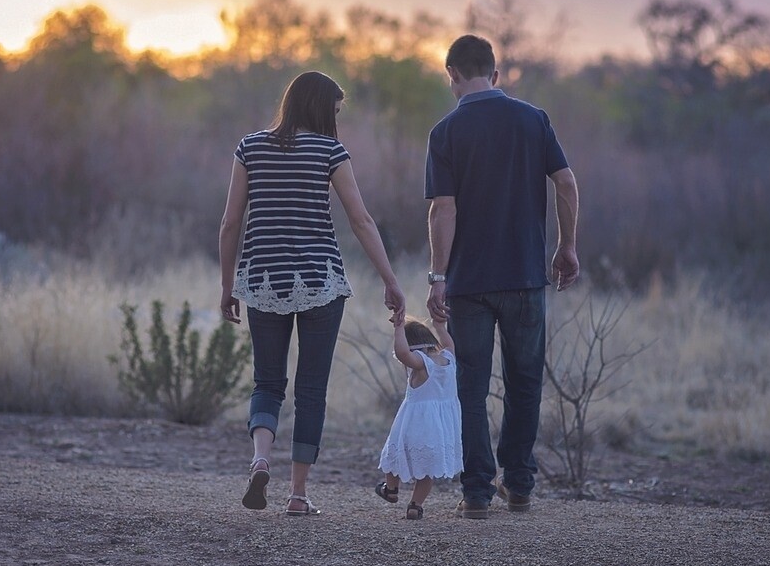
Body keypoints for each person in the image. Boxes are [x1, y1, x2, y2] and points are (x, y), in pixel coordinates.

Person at [219, 70, 405, 517]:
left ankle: (261, 458)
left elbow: (229, 223)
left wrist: (228, 286)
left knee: (267, 382)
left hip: (263, 280)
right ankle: (298, 495)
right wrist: (390, 280)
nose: (336, 120)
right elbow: (361, 221)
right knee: (311, 390)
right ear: (322, 108)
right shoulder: (330, 151)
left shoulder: (250, 148)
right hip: (321, 281)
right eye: (335, 111)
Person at [424, 34, 580, 519]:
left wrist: (437, 276)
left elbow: (442, 211)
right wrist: (567, 245)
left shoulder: (445, 131)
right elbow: (566, 182)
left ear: (451, 75)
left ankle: (475, 493)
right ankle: (520, 484)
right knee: (525, 381)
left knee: (470, 386)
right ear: (495, 73)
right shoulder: (533, 120)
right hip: (526, 276)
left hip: (469, 283)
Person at [375, 317, 462, 520]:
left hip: (415, 424)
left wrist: (398, 329)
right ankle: (415, 505)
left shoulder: (421, 364)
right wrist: (440, 326)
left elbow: (402, 353)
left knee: (394, 455)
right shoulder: (449, 358)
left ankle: (391, 489)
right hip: (440, 428)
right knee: (427, 469)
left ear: (413, 347)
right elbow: (449, 343)